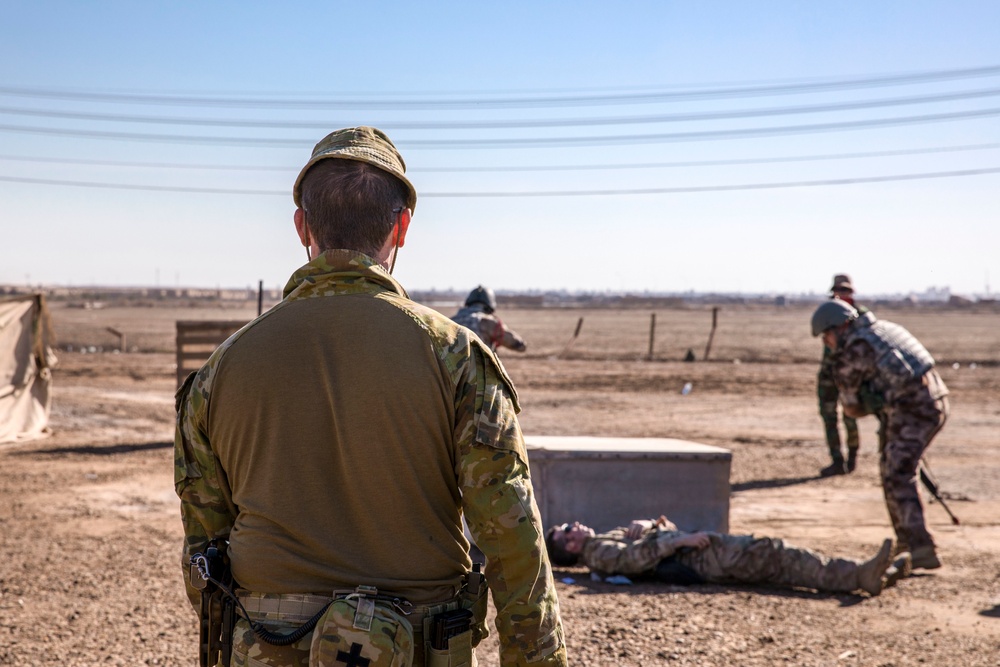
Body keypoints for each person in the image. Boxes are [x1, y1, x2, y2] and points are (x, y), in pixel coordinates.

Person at [174, 127, 566, 667]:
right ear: (402, 228)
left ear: (301, 226)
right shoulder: (456, 358)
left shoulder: (220, 370)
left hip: (266, 645)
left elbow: (204, 551)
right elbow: (512, 538)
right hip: (420, 647)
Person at [811, 300, 949, 570]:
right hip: (937, 398)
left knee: (897, 472)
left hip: (912, 407)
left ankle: (919, 547)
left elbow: (850, 408)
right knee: (894, 467)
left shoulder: (854, 350)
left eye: (825, 336)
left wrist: (868, 402)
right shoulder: (886, 328)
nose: (826, 343)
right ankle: (908, 543)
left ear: (838, 329)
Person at [545, 517, 902, 597]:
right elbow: (635, 560)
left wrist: (650, 523)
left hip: (708, 554)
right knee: (780, 558)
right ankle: (858, 576)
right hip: (706, 561)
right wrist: (679, 539)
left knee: (780, 559)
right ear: (572, 548)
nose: (574, 525)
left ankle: (867, 575)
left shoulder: (604, 540)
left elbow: (645, 541)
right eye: (568, 531)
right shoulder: (600, 554)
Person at [816, 274, 867, 476]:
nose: (841, 294)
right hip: (829, 373)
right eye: (838, 290)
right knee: (828, 415)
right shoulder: (828, 313)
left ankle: (852, 457)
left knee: (850, 415)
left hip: (850, 375)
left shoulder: (860, 315)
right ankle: (837, 460)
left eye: (845, 290)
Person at [451, 286, 528, 353]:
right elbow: (519, 346)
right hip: (478, 369)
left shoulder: (451, 321)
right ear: (490, 305)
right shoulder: (488, 322)